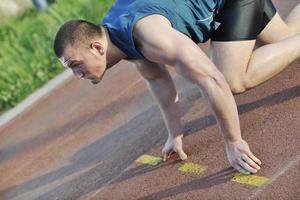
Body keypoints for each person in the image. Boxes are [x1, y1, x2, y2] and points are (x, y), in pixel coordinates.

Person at [53, 0, 300, 175]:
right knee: (285, 37)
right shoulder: (114, 35)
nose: (77, 75)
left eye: (76, 65)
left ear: (97, 48)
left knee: (232, 79)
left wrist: (233, 141)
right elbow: (157, 80)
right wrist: (175, 134)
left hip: (231, 4)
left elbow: (212, 80)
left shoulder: (151, 37)